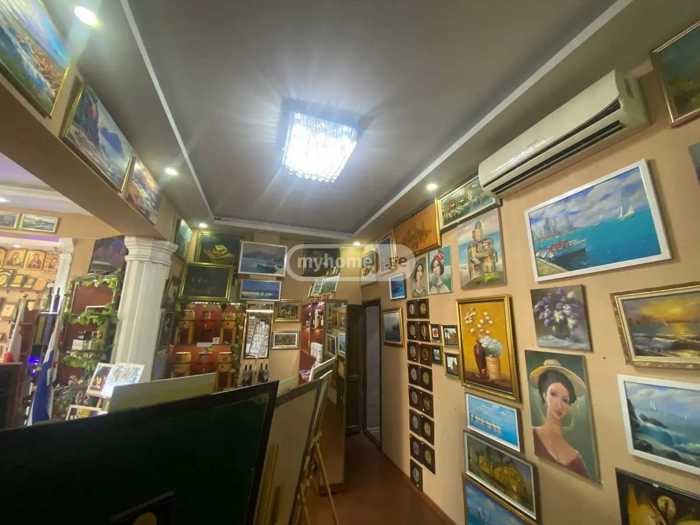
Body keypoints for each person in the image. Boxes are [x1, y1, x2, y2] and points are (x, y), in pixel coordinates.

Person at [529, 359, 589, 478]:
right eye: (553, 394)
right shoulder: (531, 434)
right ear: (544, 395)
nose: (559, 405)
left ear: (569, 406)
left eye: (565, 400)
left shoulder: (576, 459)